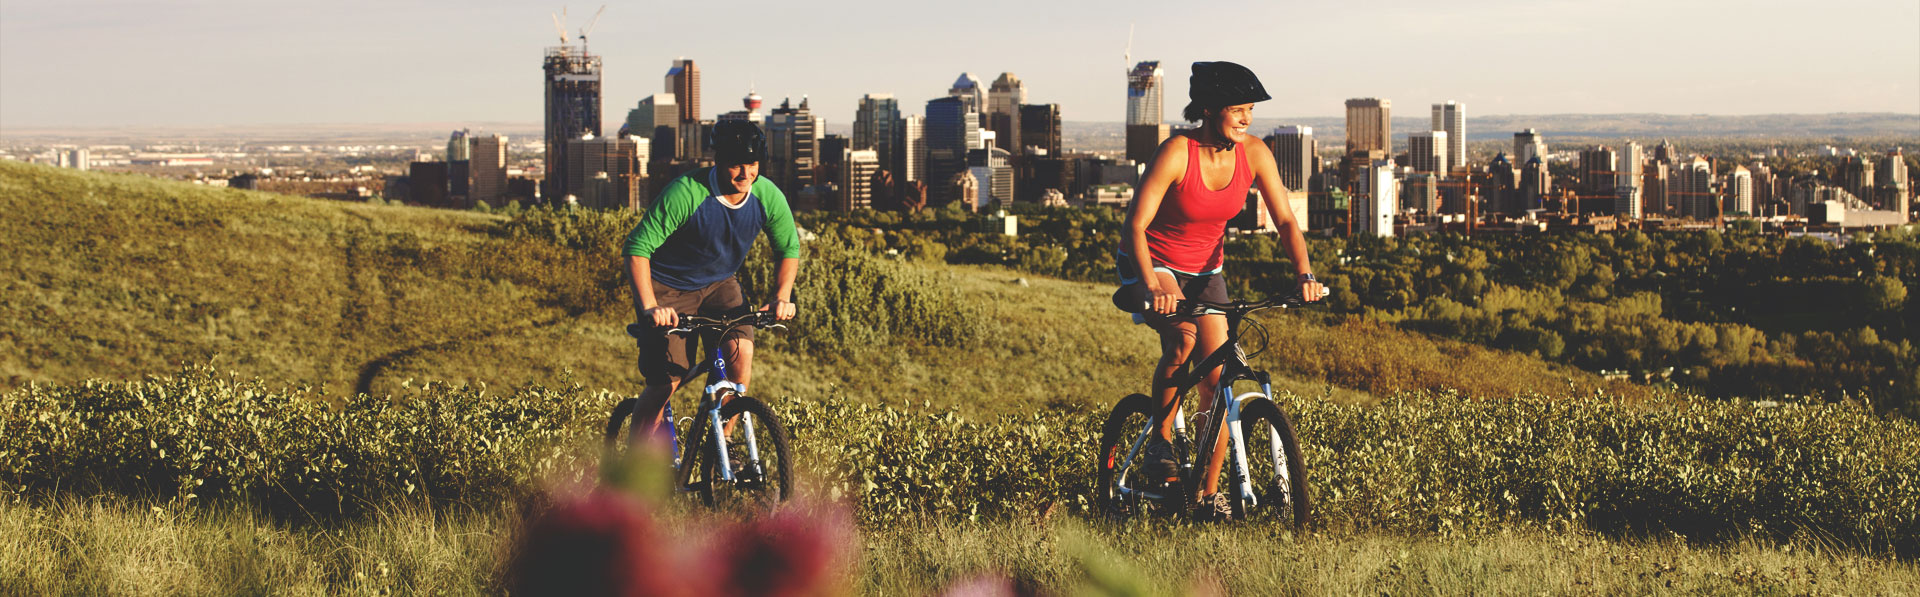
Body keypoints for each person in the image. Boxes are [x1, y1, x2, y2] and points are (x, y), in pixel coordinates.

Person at [1114, 61, 1328, 518]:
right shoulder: (1176, 152)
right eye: (1238, 109)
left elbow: (1286, 219)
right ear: (1210, 109)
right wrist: (1152, 284)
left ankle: (1206, 497)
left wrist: (1304, 275)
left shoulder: (1254, 154)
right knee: (1183, 338)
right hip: (1154, 262)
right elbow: (1135, 224)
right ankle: (1160, 443)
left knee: (1219, 377)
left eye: (1250, 109)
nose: (1247, 118)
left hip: (1207, 270)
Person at [623, 119, 800, 444]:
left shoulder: (766, 196)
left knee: (740, 352)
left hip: (720, 283)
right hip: (667, 286)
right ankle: (632, 468)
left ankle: (725, 443)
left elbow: (788, 247)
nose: (746, 174)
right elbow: (637, 249)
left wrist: (781, 296)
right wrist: (650, 306)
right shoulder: (687, 193)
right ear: (717, 161)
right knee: (666, 380)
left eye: (752, 165)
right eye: (735, 165)